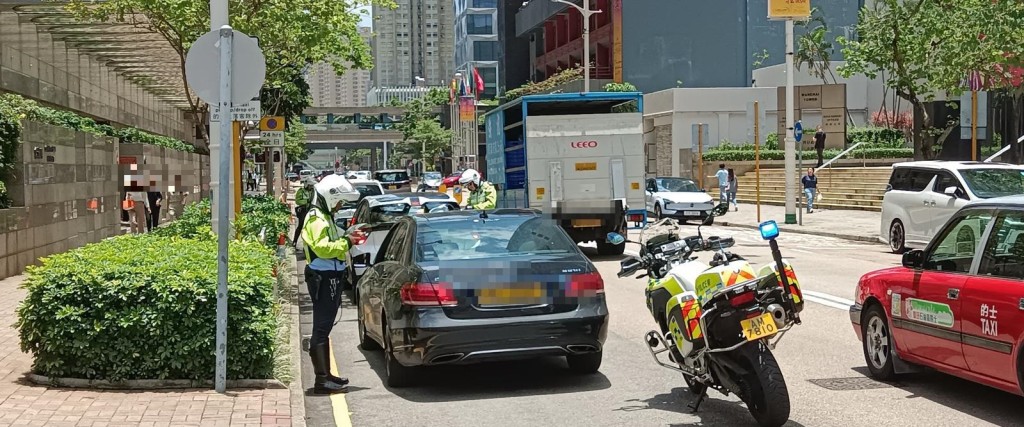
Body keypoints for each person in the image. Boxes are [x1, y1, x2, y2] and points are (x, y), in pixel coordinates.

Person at [301, 174, 360, 394]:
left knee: (324, 327)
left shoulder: (324, 216)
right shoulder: (317, 218)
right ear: (329, 197)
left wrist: (349, 236)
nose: (340, 206)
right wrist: (347, 242)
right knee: (322, 327)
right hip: (324, 278)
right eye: (339, 202)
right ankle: (322, 380)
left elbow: (331, 241)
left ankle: (326, 375)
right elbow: (323, 248)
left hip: (331, 276)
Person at [292, 177, 317, 248]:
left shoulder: (314, 191)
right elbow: (297, 201)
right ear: (306, 185)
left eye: (312, 185)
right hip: (303, 211)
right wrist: (306, 202)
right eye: (310, 185)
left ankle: (308, 245)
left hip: (311, 210)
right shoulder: (301, 191)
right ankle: (295, 241)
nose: (311, 187)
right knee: (300, 226)